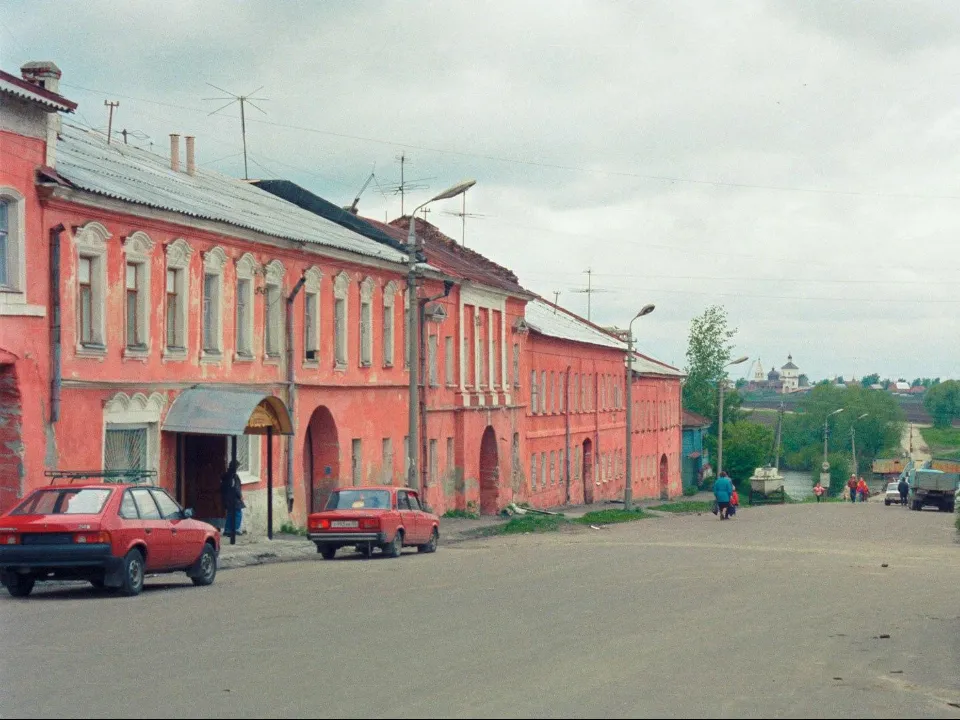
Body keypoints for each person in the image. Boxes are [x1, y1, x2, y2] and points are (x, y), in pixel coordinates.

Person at [220, 460, 244, 536]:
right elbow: (236, 488)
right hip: (234, 499)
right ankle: (235, 529)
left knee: (230, 513)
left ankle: (227, 530)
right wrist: (240, 496)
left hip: (227, 498)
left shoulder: (225, 475)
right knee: (238, 513)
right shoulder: (234, 476)